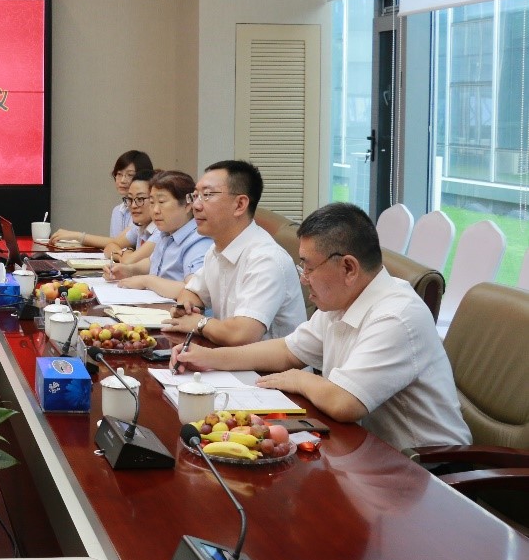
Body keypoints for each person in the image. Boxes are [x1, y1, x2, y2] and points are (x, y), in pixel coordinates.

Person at [173, 203, 471, 452]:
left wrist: (299, 379)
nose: (303, 278)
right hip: (364, 449)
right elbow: (287, 350)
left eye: (309, 267)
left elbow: (344, 402)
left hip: (427, 469)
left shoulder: (396, 316)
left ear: (348, 268)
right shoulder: (344, 299)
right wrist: (208, 358)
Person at [162, 159, 306, 346]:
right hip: (228, 358)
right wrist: (187, 308)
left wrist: (199, 322)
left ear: (240, 204)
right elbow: (191, 292)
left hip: (265, 364)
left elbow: (241, 335)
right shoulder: (216, 250)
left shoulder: (266, 259)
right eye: (195, 195)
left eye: (207, 195)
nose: (196, 206)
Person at [110, 170, 212, 299]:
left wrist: (147, 281)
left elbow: (194, 290)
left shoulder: (198, 241)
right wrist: (129, 270)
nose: (155, 210)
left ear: (187, 205)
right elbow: (153, 262)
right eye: (152, 202)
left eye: (162, 202)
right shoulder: (166, 232)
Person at [50, 149, 153, 248]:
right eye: (119, 174)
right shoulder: (118, 210)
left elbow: (119, 243)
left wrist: (78, 236)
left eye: (129, 175)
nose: (122, 180)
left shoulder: (145, 212)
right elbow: (115, 245)